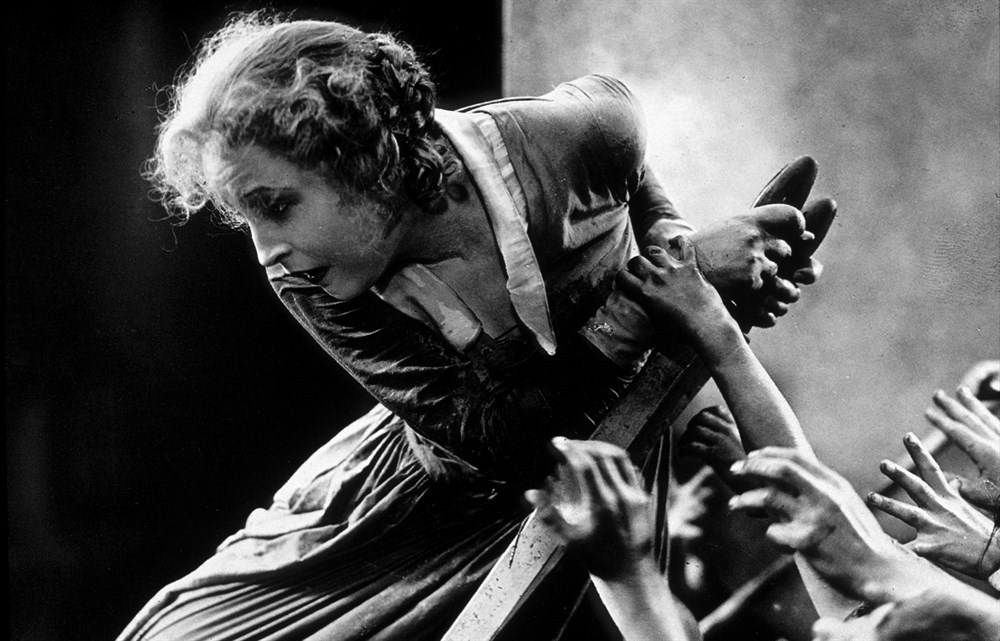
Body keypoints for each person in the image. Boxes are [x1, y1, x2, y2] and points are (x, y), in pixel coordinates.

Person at [123, 12, 825, 640]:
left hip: (588, 497)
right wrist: (682, 279)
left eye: (276, 205)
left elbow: (625, 152)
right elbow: (501, 441)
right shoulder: (306, 277)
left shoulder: (573, 134)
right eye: (247, 217)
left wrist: (672, 242)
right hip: (398, 515)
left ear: (363, 162)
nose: (266, 250)